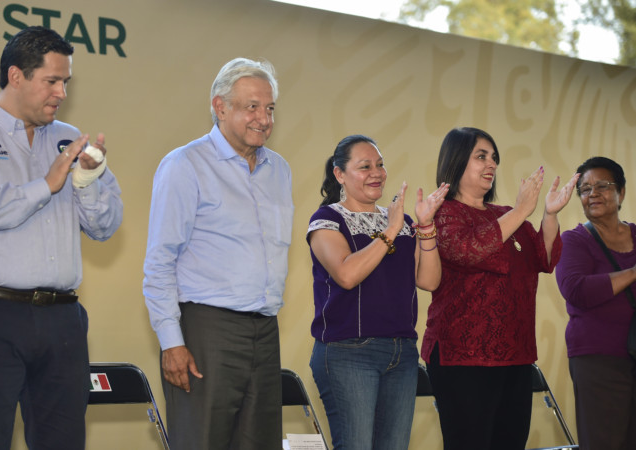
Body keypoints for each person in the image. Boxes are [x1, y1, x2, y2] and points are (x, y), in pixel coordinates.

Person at [0, 26, 123, 450]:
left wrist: (87, 181)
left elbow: (106, 228)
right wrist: (45, 186)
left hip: (62, 318)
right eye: (51, 81)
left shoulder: (71, 140)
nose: (61, 93)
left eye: (65, 82)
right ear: (16, 76)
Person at [142, 57, 293, 449]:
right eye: (251, 107)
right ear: (219, 106)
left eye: (270, 108)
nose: (263, 118)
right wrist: (171, 342)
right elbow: (160, 261)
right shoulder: (185, 165)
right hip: (206, 331)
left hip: (265, 328)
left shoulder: (280, 170)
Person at [420, 127, 579, 450]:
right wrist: (523, 210)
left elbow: (544, 259)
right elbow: (469, 250)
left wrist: (549, 214)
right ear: (456, 159)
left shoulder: (505, 215)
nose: (491, 164)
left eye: (494, 158)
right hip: (462, 357)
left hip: (515, 354)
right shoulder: (444, 213)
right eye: (481, 156)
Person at [307, 134, 449, 449]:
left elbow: (428, 280)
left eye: (380, 165)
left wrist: (424, 227)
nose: (377, 173)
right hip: (348, 352)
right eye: (365, 166)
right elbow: (346, 274)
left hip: (402, 352)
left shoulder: (401, 220)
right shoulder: (326, 220)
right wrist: (390, 231)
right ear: (339, 174)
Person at [555, 156, 636, 450]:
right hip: (598, 360)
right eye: (586, 189)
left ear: (622, 192)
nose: (593, 194)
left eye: (603, 186)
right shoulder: (575, 241)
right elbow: (577, 290)